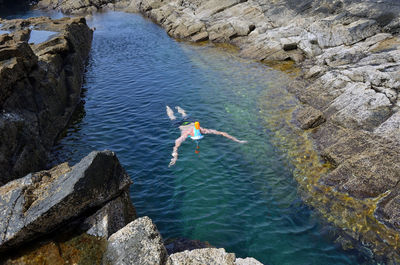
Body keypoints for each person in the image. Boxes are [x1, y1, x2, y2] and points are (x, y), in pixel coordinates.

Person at [166, 106, 247, 167]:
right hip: (182, 124)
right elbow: (176, 144)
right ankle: (168, 107)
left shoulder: (201, 130)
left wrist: (237, 140)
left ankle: (173, 107)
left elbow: (222, 133)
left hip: (189, 122)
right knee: (174, 116)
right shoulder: (190, 133)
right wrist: (174, 157)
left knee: (183, 115)